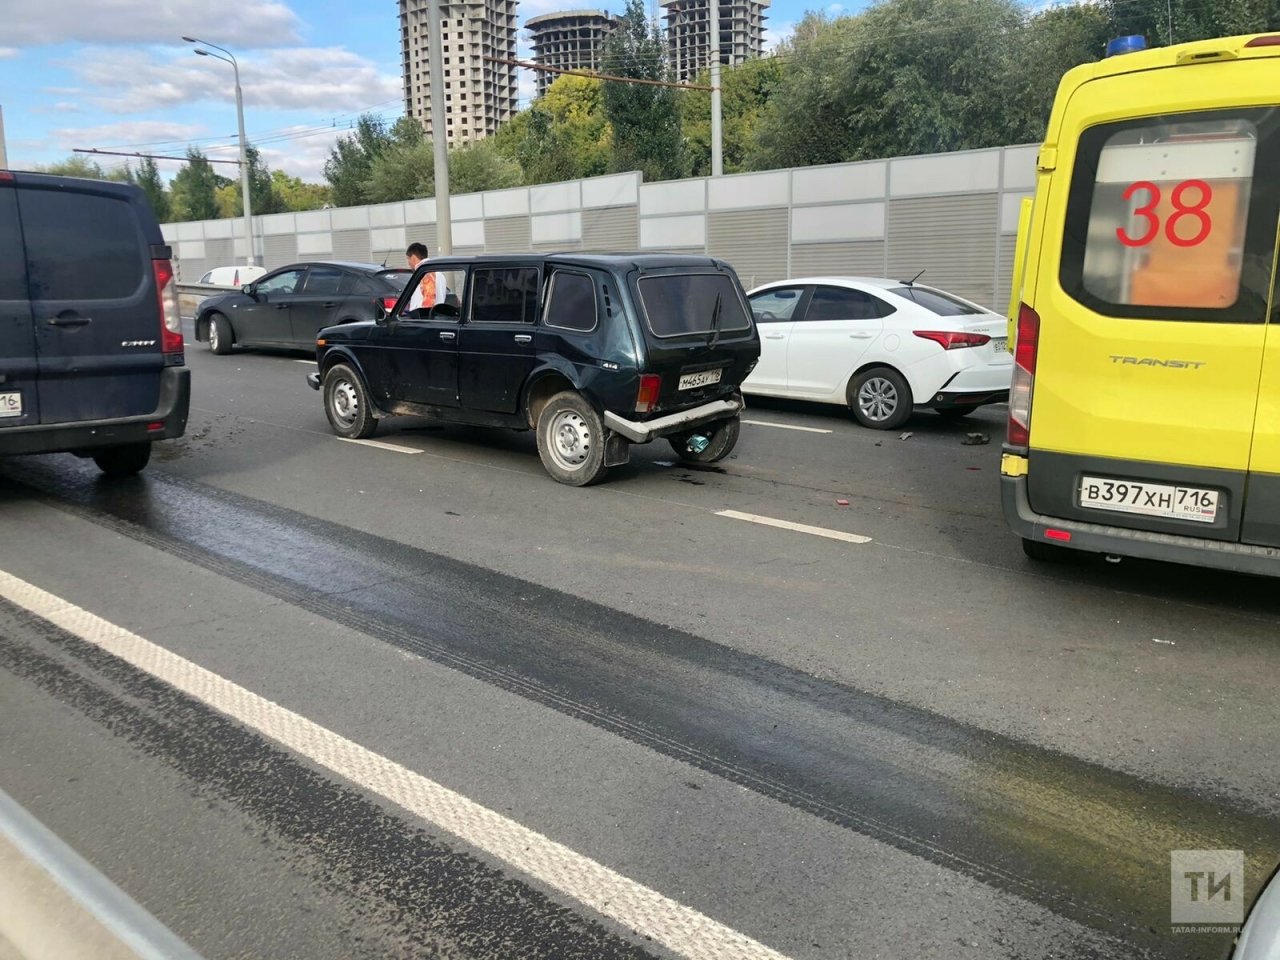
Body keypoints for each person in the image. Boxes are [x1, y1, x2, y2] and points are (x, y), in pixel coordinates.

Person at [405, 243, 450, 315]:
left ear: (413, 257)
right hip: (437, 317)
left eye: (408, 258)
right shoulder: (439, 275)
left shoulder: (426, 274)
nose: (408, 263)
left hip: (423, 321)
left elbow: (428, 303)